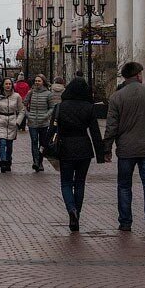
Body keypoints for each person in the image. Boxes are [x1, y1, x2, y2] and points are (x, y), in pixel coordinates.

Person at [103, 61, 145, 235]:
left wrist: (107, 148)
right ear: (139, 75)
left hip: (126, 149)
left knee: (124, 186)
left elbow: (111, 126)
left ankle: (125, 222)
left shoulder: (117, 97)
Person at [54, 77, 105, 232]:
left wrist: (45, 148)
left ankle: (71, 209)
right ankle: (78, 213)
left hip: (65, 147)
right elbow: (95, 132)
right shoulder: (88, 107)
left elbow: (52, 130)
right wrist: (101, 154)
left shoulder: (60, 107)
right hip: (84, 147)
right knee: (80, 183)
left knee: (66, 182)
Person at [0, 78, 26, 172]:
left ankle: (8, 160)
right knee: (2, 142)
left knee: (9, 145)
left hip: (12, 122)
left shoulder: (17, 96)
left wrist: (18, 122)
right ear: (3, 85)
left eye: (10, 84)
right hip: (1, 121)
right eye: (6, 84)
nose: (8, 85)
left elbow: (22, 110)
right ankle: (3, 163)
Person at [24, 74, 55, 171]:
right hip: (32, 122)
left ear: (43, 82)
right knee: (34, 141)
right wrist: (28, 114)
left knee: (42, 143)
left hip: (43, 123)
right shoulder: (31, 92)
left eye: (39, 81)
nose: (37, 83)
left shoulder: (48, 94)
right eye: (36, 81)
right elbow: (24, 104)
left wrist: (46, 115)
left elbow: (52, 107)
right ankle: (36, 162)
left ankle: (40, 161)